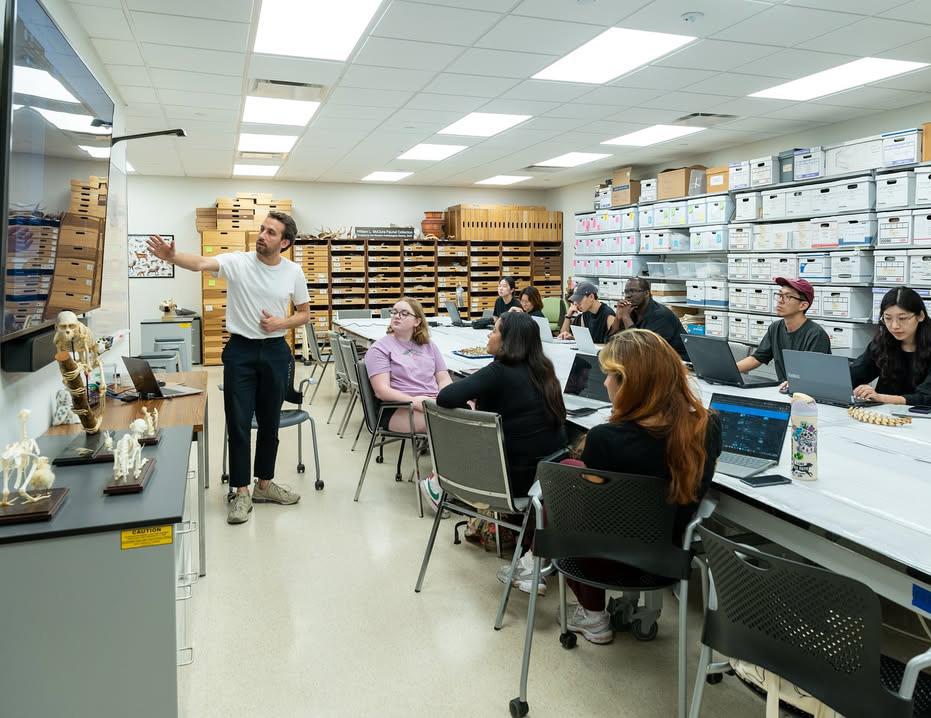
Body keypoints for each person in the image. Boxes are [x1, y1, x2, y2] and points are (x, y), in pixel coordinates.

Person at [146, 212, 309, 525]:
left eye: (271, 232)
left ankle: (264, 485)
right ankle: (241, 491)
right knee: (238, 422)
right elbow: (201, 263)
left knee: (270, 423)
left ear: (285, 243)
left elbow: (304, 313)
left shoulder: (293, 272)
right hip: (240, 352)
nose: (262, 235)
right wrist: (172, 257)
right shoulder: (238, 262)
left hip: (276, 351)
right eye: (262, 229)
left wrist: (280, 323)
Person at [565, 329, 722, 644]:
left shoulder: (605, 439)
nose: (604, 383)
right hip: (669, 559)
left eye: (610, 375)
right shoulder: (708, 426)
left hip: (605, 563)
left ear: (632, 383)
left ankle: (590, 611)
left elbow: (590, 513)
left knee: (563, 481)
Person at [436, 312, 568, 594]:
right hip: (548, 476)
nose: (489, 334)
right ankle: (534, 551)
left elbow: (445, 397)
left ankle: (435, 486)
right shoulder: (545, 371)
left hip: (510, 482)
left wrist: (470, 403)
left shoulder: (498, 371)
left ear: (509, 342)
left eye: (494, 331)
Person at [364, 296, 452, 436]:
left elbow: (444, 378)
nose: (397, 316)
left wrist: (445, 397)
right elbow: (381, 391)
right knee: (453, 422)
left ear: (417, 321)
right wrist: (415, 401)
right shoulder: (379, 349)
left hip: (432, 402)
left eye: (404, 313)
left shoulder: (429, 345)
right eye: (394, 312)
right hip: (399, 406)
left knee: (473, 410)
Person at [736, 277, 831, 382]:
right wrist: (731, 369)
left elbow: (813, 375)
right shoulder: (775, 328)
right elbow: (757, 358)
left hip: (806, 390)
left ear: (803, 305)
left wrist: (794, 383)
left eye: (788, 296)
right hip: (784, 388)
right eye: (780, 295)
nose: (780, 301)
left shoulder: (816, 335)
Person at [850, 286, 931, 406]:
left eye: (902, 318)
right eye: (887, 318)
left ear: (920, 316)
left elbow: (927, 398)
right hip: (882, 413)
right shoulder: (883, 342)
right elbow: (854, 375)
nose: (894, 326)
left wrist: (881, 397)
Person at [607, 277, 688, 359]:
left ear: (646, 293)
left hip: (676, 361)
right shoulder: (630, 310)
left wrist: (626, 317)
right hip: (649, 359)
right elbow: (609, 342)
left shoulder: (661, 315)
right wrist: (618, 317)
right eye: (626, 292)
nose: (628, 295)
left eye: (633, 291)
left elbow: (643, 349)